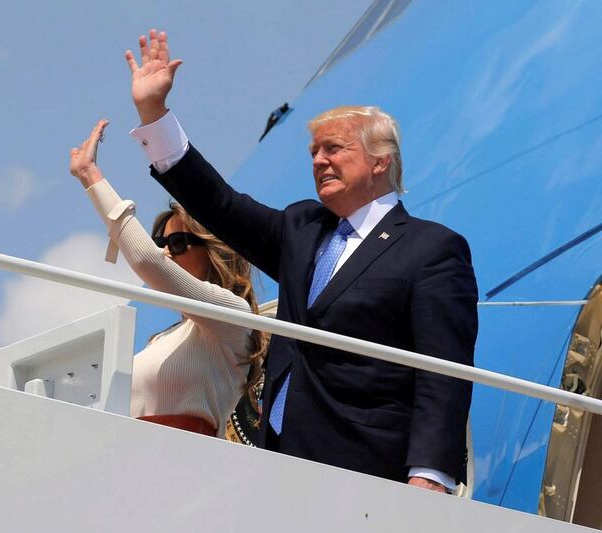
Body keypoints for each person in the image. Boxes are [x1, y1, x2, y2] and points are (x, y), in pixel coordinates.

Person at [122, 30, 479, 493]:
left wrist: (430, 475)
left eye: (334, 148)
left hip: (369, 469)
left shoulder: (431, 250)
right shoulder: (302, 229)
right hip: (280, 460)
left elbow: (443, 371)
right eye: (314, 152)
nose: (319, 161)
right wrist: (155, 115)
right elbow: (219, 204)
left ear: (380, 161)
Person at [68, 119, 266, 438]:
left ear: (216, 250)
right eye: (161, 243)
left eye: (177, 243)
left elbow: (147, 260)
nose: (166, 253)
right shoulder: (165, 339)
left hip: (180, 465)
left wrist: (91, 177)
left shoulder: (235, 318)